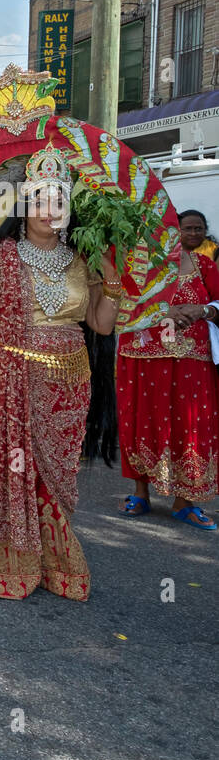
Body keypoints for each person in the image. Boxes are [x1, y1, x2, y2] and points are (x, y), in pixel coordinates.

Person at [0, 142, 119, 601]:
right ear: (26, 203)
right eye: (43, 199)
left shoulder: (83, 259)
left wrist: (112, 278)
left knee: (56, 475)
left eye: (60, 199)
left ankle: (47, 556)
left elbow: (101, 324)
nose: (52, 209)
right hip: (9, 376)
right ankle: (8, 555)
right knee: (12, 470)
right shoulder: (1, 254)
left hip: (69, 382)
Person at [118, 207, 219, 529]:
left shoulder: (204, 265)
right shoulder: (139, 263)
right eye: (182, 227)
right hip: (141, 358)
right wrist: (164, 309)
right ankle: (139, 493)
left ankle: (185, 502)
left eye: (196, 229)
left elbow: (218, 303)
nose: (188, 233)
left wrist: (202, 309)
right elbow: (121, 300)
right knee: (141, 420)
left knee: (191, 425)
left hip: (192, 361)